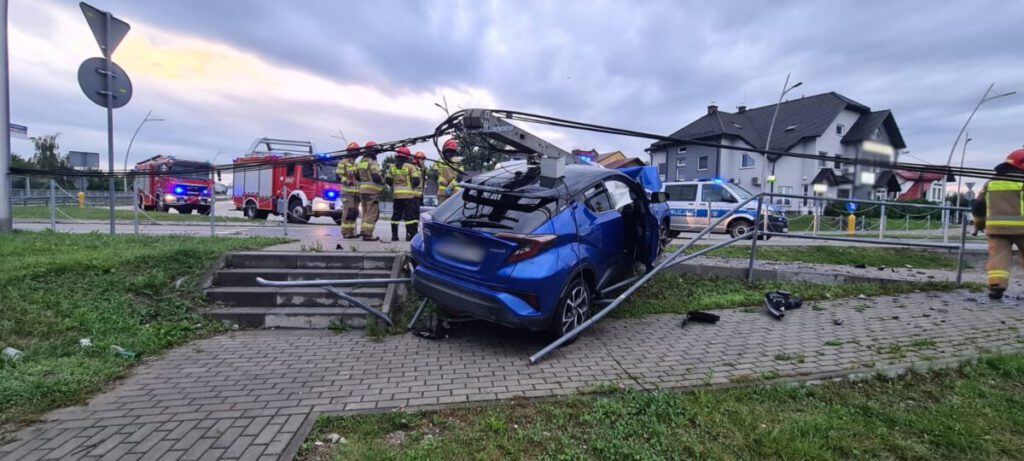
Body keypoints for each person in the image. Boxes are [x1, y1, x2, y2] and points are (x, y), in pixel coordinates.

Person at [972, 147, 1024, 300]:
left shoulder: (990, 183)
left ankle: (996, 286)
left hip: (996, 229)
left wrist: (979, 225)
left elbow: (978, 206)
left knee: (998, 257)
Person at [385, 147, 421, 241]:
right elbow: (416, 180)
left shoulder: (392, 167)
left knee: (396, 216)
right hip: (408, 195)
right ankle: (409, 235)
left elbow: (388, 180)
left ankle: (394, 236)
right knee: (409, 217)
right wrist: (412, 186)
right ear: (407, 157)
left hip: (396, 195)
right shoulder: (410, 167)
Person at [356, 141, 384, 241]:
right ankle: (367, 234)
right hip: (372, 192)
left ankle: (363, 231)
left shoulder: (361, 162)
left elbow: (357, 176)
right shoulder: (372, 162)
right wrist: (383, 180)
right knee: (372, 213)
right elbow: (376, 177)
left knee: (366, 212)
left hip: (362, 191)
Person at [336, 142, 361, 238]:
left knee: (354, 213)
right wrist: (347, 182)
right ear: (349, 152)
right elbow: (338, 175)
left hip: (356, 193)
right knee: (348, 212)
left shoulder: (356, 164)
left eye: (356, 151)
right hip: (347, 193)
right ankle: (346, 232)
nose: (355, 153)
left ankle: (352, 232)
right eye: (354, 151)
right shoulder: (343, 162)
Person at [436, 139, 463, 205]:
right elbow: (435, 175)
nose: (449, 154)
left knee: (442, 210)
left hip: (452, 193)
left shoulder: (458, 161)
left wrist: (449, 186)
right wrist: (444, 182)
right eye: (449, 152)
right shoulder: (439, 161)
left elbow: (460, 176)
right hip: (447, 193)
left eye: (451, 152)